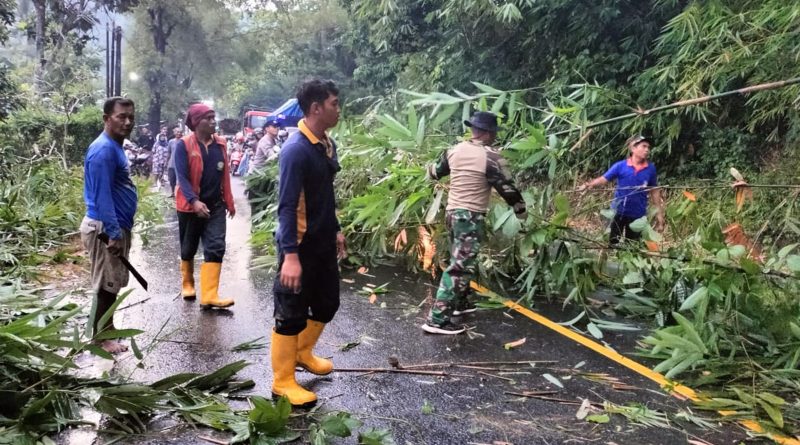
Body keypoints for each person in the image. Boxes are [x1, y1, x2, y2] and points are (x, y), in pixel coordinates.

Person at [271, 79, 347, 408]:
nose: (338, 109)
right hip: (299, 245)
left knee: (328, 303)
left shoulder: (325, 144)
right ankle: (282, 382)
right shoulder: (295, 150)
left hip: (323, 241)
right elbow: (287, 206)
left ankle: (303, 352)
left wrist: (336, 228)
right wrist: (290, 256)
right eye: (334, 103)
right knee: (291, 312)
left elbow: (324, 195)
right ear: (316, 108)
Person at [422, 111, 527, 335]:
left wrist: (427, 168)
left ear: (473, 130)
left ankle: (460, 305)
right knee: (460, 267)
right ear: (488, 133)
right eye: (494, 133)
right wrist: (521, 211)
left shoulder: (453, 150)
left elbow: (435, 172)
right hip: (469, 218)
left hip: (452, 214)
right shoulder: (492, 157)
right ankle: (437, 320)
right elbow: (507, 188)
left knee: (460, 260)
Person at [80, 97, 138, 353]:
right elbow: (102, 196)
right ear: (106, 118)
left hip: (114, 226)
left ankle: (107, 330)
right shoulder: (103, 150)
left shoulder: (115, 146)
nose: (127, 122)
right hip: (105, 228)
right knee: (106, 284)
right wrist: (113, 233)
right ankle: (102, 339)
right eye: (121, 116)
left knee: (112, 281)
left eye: (131, 117)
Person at [174, 103, 236, 308]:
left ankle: (210, 295)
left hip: (215, 205)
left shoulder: (221, 144)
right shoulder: (183, 145)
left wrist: (229, 201)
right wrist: (194, 201)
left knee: (216, 246)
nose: (212, 122)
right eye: (207, 118)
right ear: (196, 122)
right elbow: (182, 177)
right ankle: (187, 284)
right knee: (188, 247)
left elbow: (225, 174)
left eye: (213, 117)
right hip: (190, 206)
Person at [577, 134, 665, 245]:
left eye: (648, 147)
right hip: (618, 211)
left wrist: (659, 214)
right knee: (612, 243)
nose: (647, 150)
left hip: (638, 215)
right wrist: (588, 185)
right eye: (644, 146)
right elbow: (604, 179)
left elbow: (654, 190)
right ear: (633, 148)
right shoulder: (621, 166)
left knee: (632, 246)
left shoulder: (650, 169)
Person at [165, 127, 182, 198]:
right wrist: (166, 162)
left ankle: (179, 194)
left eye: (180, 132)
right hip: (172, 163)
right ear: (174, 133)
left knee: (179, 180)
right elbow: (169, 152)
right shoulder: (171, 141)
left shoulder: (183, 141)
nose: (179, 133)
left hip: (180, 164)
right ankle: (172, 192)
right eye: (177, 132)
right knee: (172, 179)